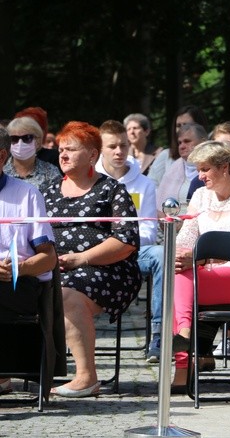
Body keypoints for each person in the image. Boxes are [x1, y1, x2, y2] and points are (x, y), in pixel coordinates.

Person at [43, 121, 141, 397]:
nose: (62, 155)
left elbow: (126, 241)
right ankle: (11, 370)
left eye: (71, 150)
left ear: (92, 155)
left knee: (66, 293)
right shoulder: (48, 191)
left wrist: (82, 258)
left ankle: (86, 377)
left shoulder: (112, 190)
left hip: (108, 271)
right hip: (51, 268)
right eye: (61, 149)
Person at [169, 141, 230, 389]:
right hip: (202, 273)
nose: (200, 176)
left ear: (224, 168)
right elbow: (185, 238)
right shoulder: (200, 196)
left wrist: (198, 258)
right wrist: (182, 256)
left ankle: (183, 360)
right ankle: (186, 336)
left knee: (180, 277)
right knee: (176, 272)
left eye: (205, 169)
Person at [95, 120, 161, 362]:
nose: (119, 152)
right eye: (111, 146)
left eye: (123, 145)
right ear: (99, 149)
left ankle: (159, 334)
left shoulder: (144, 184)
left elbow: (150, 231)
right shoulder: (90, 181)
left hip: (135, 251)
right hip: (95, 255)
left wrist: (121, 242)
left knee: (162, 255)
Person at [0, 127, 58, 395]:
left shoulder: (27, 195)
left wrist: (20, 267)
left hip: (17, 285)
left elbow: (48, 259)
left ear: (1, 157)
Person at [148, 105, 208, 188]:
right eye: (178, 125)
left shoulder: (212, 157)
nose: (181, 129)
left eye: (186, 124)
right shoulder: (166, 156)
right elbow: (151, 186)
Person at [155, 123, 207, 213]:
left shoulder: (213, 169)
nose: (182, 146)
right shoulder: (172, 170)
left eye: (187, 141)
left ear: (202, 142)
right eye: (179, 142)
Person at [3, 116, 60, 190]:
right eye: (14, 138)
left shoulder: (51, 172)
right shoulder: (2, 170)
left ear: (38, 141)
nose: (20, 143)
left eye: (27, 138)